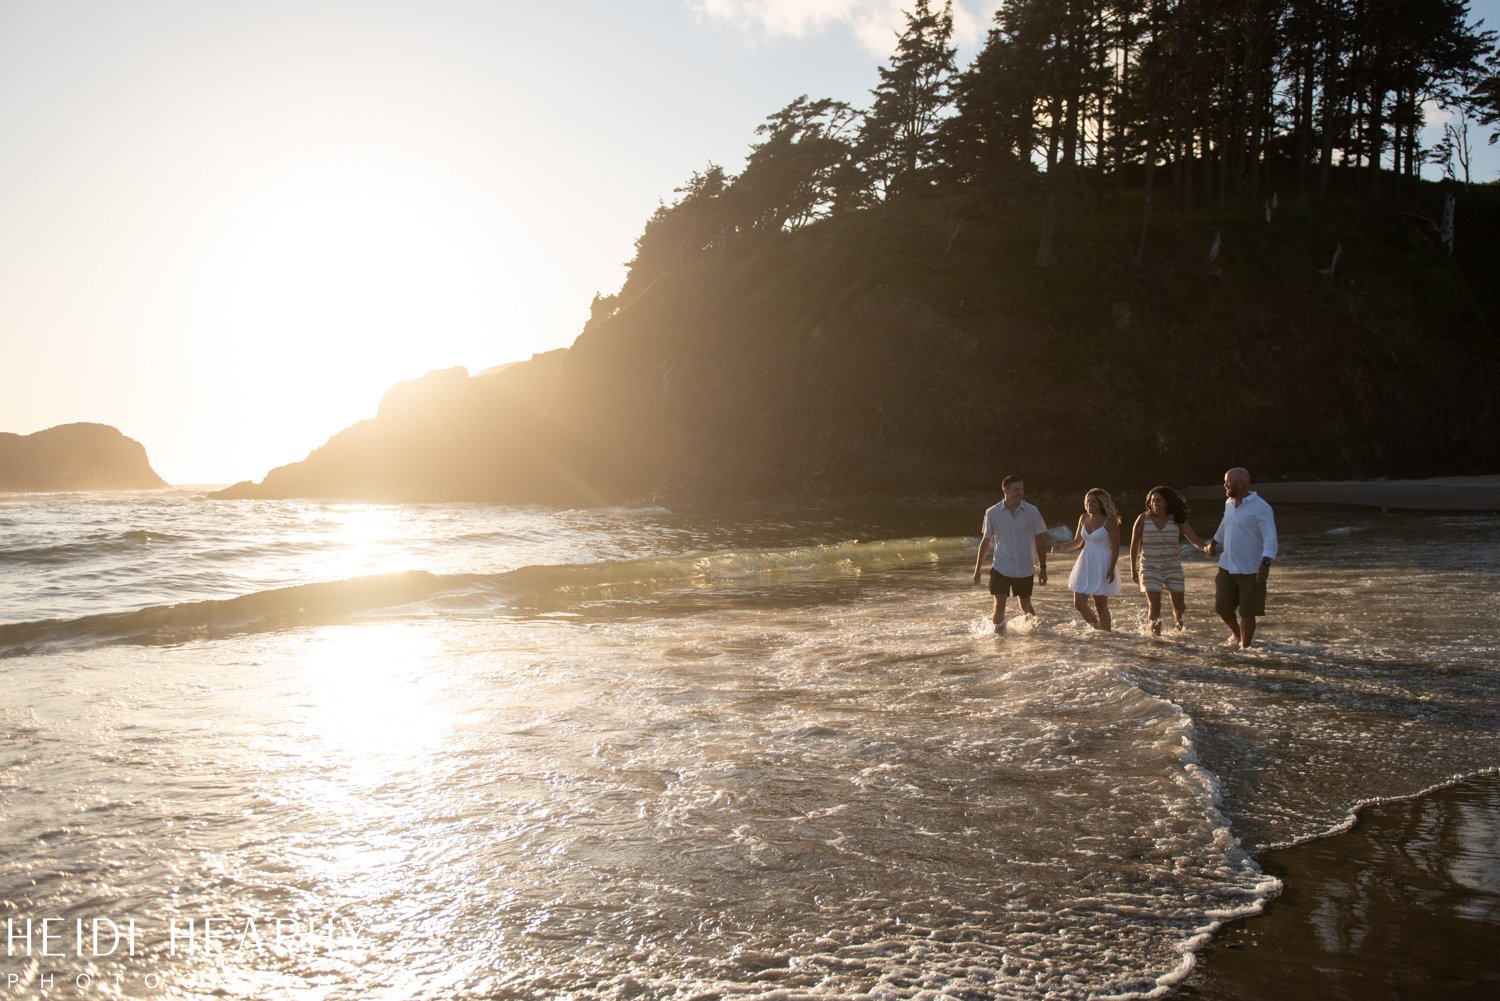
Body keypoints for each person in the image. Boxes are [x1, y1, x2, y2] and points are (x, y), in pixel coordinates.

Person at [1206, 466, 1278, 648]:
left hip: (1251, 569)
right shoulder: (1229, 504)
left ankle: (1245, 649)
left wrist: (1266, 562)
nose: (1224, 485)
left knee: (1247, 612)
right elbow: (1224, 525)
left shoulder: (1261, 507)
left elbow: (1270, 537)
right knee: (1223, 608)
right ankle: (1238, 636)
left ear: (1240, 484)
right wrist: (1214, 543)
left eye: (1227, 482)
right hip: (1226, 565)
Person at [971, 475, 1050, 634]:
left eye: (1022, 489)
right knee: (999, 602)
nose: (1020, 492)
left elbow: (1040, 541)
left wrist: (1043, 567)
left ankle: (1034, 634)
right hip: (1001, 566)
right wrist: (977, 569)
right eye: (1016, 489)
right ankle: (998, 638)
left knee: (1025, 603)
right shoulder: (992, 513)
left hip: (1025, 566)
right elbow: (986, 542)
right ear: (1005, 490)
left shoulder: (1032, 511)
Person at [1129, 485, 1208, 635]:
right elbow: (1134, 545)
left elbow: (1194, 538)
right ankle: (1155, 638)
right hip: (1149, 566)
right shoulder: (1143, 519)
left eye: (1159, 501)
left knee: (1179, 606)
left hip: (1173, 567)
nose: (1155, 504)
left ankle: (1179, 629)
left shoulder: (1177, 519)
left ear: (1167, 503)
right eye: (1152, 501)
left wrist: (1205, 548)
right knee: (1154, 605)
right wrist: (1133, 569)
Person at [1050, 487, 1122, 630]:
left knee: (1101, 605)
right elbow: (1077, 542)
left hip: (1102, 563)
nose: (1090, 504)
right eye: (1088, 501)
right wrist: (1060, 548)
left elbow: (1115, 548)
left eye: (1094, 501)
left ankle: (1106, 635)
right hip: (1085, 562)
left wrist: (1111, 568)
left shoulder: (1109, 522)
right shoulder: (1083, 518)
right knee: (1079, 604)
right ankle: (1096, 628)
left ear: (1101, 503)